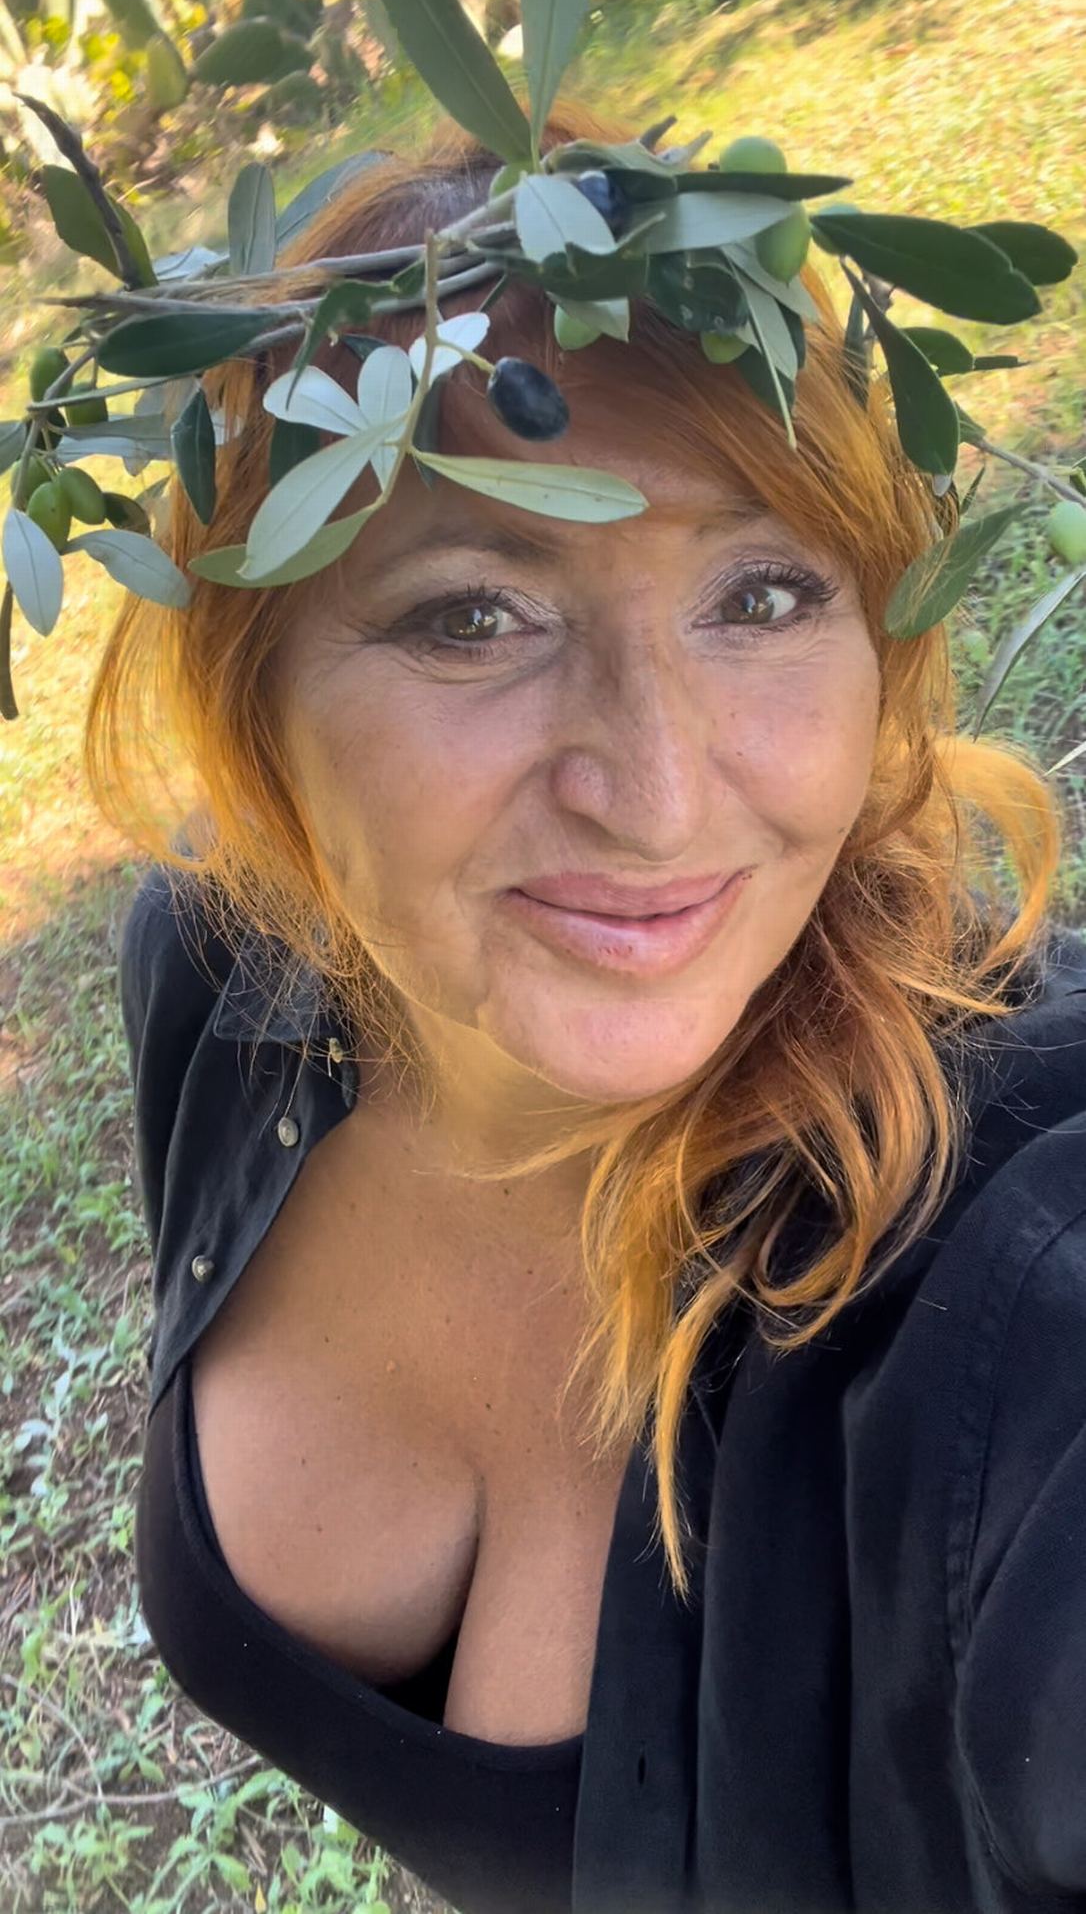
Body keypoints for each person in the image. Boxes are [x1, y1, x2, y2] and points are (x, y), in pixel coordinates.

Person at [91, 98, 1086, 1914]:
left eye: (761, 592)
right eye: (475, 616)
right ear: (258, 711)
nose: (654, 796)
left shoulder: (1021, 1253)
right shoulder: (221, 983)